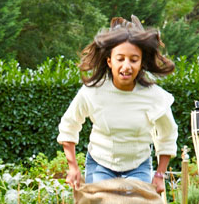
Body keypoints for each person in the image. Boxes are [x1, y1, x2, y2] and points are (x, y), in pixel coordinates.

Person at [57, 17, 177, 194]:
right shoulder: (92, 92)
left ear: (142, 62)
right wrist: (73, 167)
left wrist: (159, 174)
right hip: (100, 165)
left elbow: (168, 134)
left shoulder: (155, 97)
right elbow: (69, 125)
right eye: (120, 59)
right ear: (109, 61)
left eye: (133, 59)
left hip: (138, 166)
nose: (126, 66)